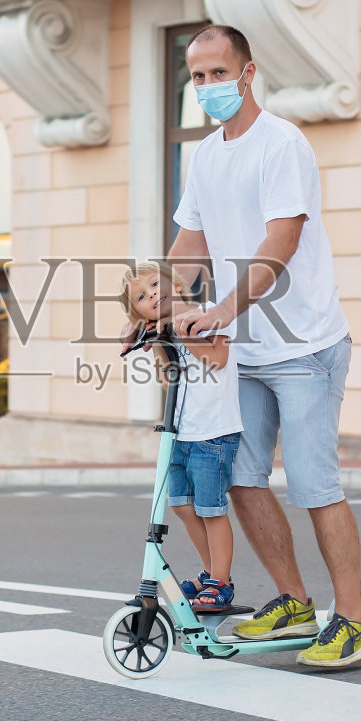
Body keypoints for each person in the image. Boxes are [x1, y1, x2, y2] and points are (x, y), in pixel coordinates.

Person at [167, 24, 361, 668]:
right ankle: (291, 601)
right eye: (197, 78)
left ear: (248, 73)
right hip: (244, 352)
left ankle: (352, 619)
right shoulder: (204, 155)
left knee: (314, 484)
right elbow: (189, 245)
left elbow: (281, 242)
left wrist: (222, 309)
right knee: (238, 475)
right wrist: (153, 306)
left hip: (305, 343)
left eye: (217, 75)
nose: (207, 88)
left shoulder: (282, 144)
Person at [120, 261, 242, 610]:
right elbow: (166, 380)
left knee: (211, 510)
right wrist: (159, 342)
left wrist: (182, 332)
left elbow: (217, 359)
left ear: (175, 283)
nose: (153, 295)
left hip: (213, 432)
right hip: (180, 433)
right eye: (142, 296)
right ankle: (209, 573)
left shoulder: (207, 315)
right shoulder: (166, 330)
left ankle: (221, 582)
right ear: (139, 312)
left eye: (157, 285)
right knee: (182, 506)